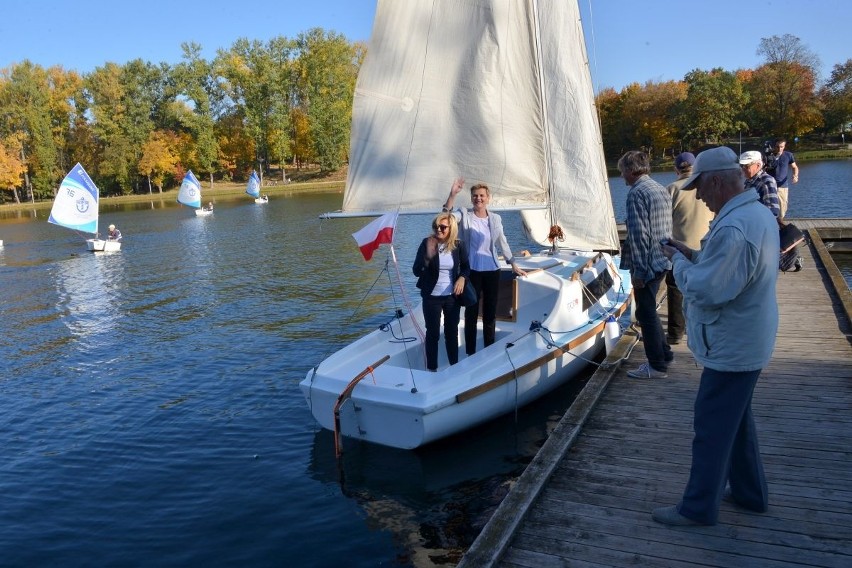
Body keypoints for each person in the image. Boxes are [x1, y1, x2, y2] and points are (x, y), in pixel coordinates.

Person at [653, 146, 779, 526]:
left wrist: (676, 262)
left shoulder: (736, 227)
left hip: (732, 345)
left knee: (710, 427)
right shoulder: (755, 214)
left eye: (701, 188)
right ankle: (749, 493)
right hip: (746, 338)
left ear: (719, 182)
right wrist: (688, 252)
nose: (698, 196)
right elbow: (723, 269)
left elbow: (709, 289)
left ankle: (697, 509)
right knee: (736, 422)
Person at [442, 178, 526, 356]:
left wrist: (513, 264)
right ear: (471, 198)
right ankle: (471, 353)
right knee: (471, 314)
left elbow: (502, 242)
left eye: (481, 195)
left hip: (492, 270)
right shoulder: (464, 214)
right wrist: (452, 194)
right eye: (475, 196)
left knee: (490, 313)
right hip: (471, 271)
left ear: (488, 198)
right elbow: (447, 218)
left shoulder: (495, 218)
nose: (478, 198)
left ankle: (489, 350)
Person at [617, 151, 673, 379]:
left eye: (622, 171)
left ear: (631, 171)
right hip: (662, 258)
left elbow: (640, 236)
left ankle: (657, 365)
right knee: (648, 310)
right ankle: (665, 353)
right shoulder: (660, 188)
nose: (622, 176)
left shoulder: (636, 194)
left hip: (647, 263)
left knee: (645, 314)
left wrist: (638, 272)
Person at [665, 152, 714, 345]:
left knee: (676, 289)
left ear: (676, 169)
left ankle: (676, 333)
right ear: (694, 167)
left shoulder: (672, 189)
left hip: (681, 247)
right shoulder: (707, 185)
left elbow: (664, 220)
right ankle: (703, 327)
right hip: (707, 246)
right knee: (704, 288)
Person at [413, 213, 471, 372]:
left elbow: (466, 267)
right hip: (431, 297)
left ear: (451, 228)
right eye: (436, 226)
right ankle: (432, 369)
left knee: (451, 332)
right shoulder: (427, 243)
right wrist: (427, 257)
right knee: (432, 333)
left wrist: (462, 278)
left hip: (452, 297)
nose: (438, 229)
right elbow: (416, 271)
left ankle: (454, 366)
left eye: (443, 227)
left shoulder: (458, 245)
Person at [764, 138, 799, 218]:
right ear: (774, 146)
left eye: (782, 147)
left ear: (784, 146)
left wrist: (795, 176)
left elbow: (794, 167)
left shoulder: (788, 155)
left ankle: (781, 222)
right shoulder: (769, 156)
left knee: (782, 208)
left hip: (782, 186)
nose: (779, 149)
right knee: (769, 207)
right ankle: (771, 223)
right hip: (770, 186)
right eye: (777, 147)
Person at [739, 151, 781, 218]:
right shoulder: (748, 181)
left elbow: (773, 211)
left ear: (758, 165)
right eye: (741, 166)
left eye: (746, 166)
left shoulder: (766, 181)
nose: (743, 169)